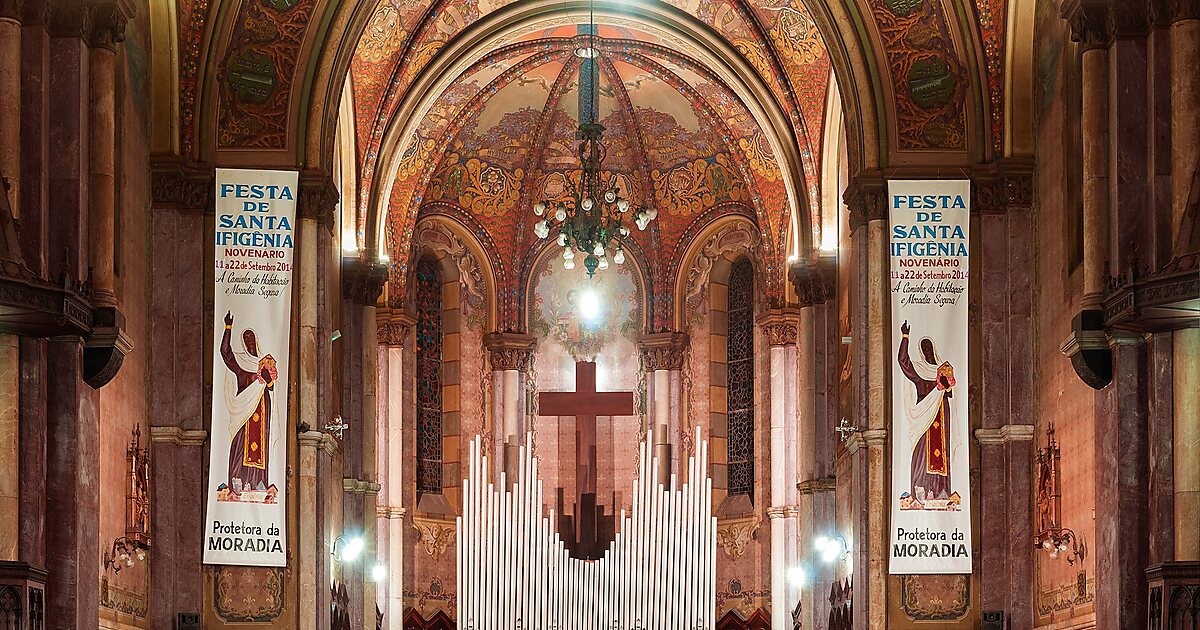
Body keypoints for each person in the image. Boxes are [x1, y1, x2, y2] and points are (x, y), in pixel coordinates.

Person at [897, 320, 956, 502]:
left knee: (941, 454)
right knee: (922, 452)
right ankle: (921, 490)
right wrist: (905, 337)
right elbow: (903, 361)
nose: (927, 351)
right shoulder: (919, 370)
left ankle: (940, 491)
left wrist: (946, 385)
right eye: (924, 348)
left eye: (929, 347)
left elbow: (950, 393)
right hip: (924, 415)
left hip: (941, 413)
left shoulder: (943, 369)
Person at [221, 311, 278, 497]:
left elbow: (270, 388)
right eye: (246, 339)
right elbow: (225, 353)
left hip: (262, 410)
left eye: (251, 338)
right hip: (244, 410)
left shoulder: (265, 362)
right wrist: (228, 328)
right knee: (240, 445)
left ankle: (258, 483)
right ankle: (236, 483)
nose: (249, 341)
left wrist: (268, 380)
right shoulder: (240, 364)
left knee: (260, 448)